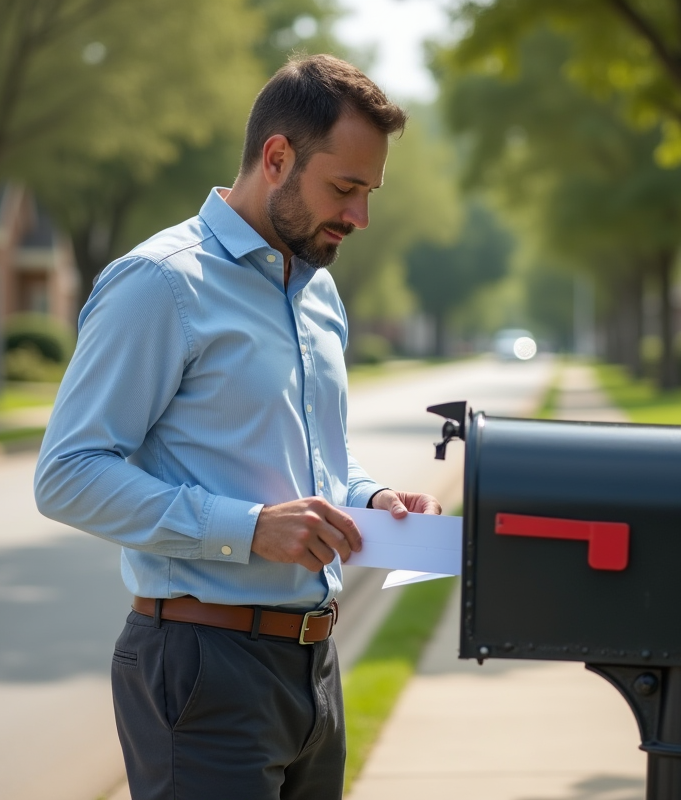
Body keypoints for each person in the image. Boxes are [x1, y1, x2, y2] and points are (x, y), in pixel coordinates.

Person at [34, 54, 441, 799]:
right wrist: (249, 528)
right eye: (345, 188)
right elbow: (68, 474)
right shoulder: (159, 283)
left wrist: (373, 501)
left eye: (368, 192)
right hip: (201, 665)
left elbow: (316, 465)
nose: (360, 217)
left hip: (315, 664)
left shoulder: (318, 295)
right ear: (278, 158)